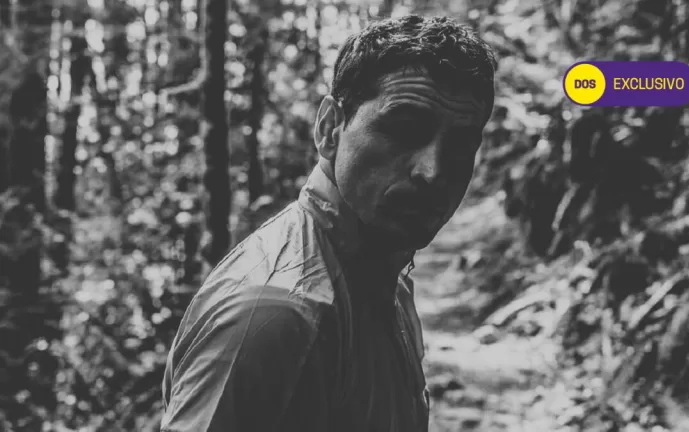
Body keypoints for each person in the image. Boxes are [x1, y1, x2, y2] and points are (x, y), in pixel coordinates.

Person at [160, 14, 496, 432]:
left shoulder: (383, 277)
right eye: (405, 129)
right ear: (329, 128)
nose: (432, 171)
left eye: (461, 146)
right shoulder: (278, 316)